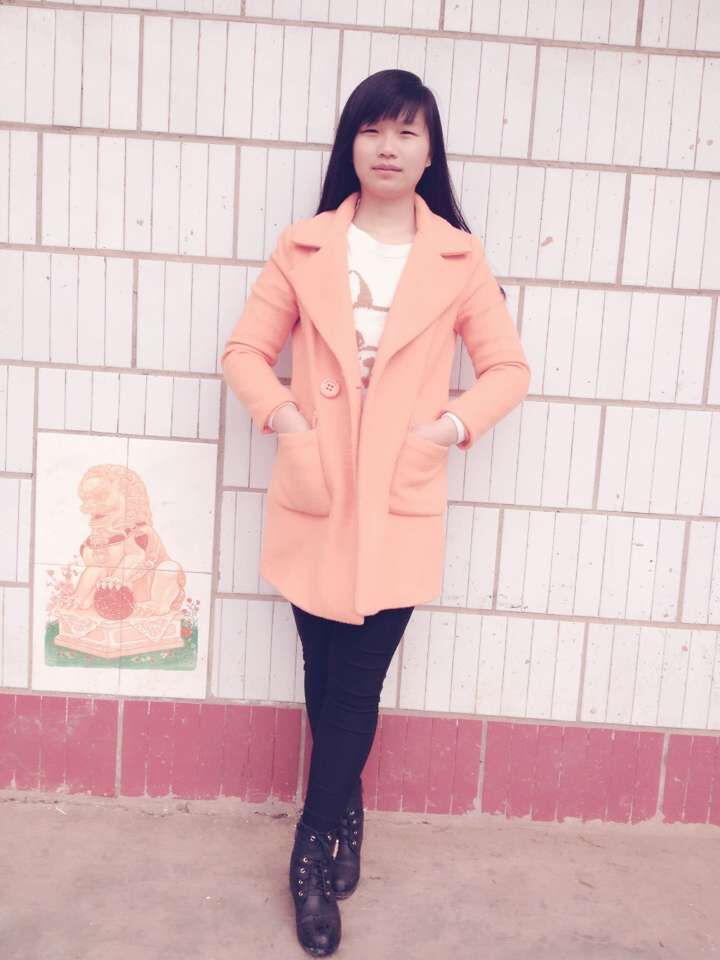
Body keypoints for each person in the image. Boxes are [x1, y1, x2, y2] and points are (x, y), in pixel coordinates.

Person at [221, 69, 531, 957]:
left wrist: (443, 431)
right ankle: (347, 807)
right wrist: (288, 424)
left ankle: (310, 853)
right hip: (316, 495)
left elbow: (508, 369)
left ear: (430, 152)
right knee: (323, 676)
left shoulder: (458, 259)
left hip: (399, 500)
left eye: (406, 132)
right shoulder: (304, 246)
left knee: (356, 686)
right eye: (372, 130)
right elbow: (244, 353)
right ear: (351, 144)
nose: (388, 147)